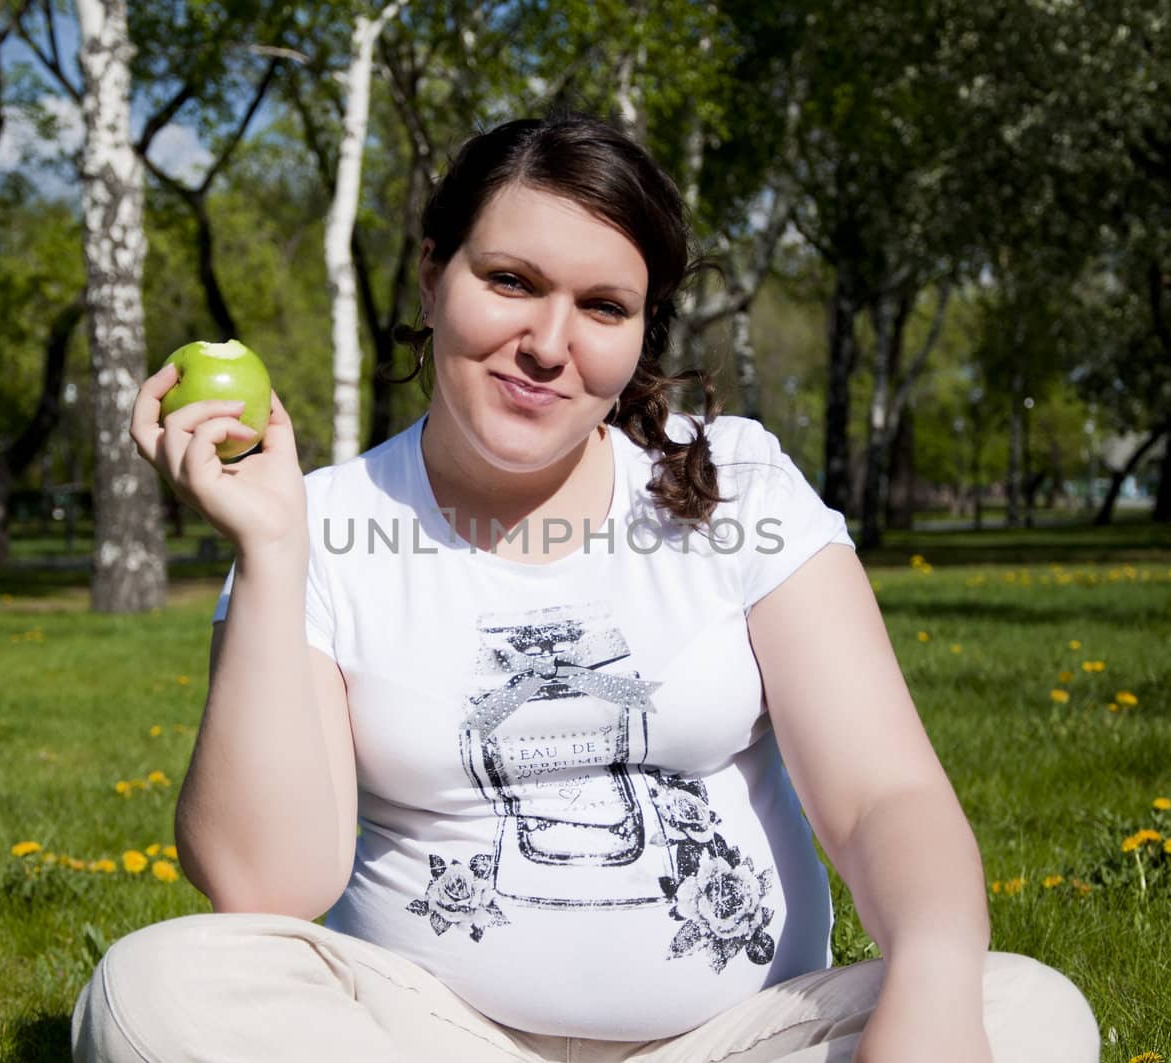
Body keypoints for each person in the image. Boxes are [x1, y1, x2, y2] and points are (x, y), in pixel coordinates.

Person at [75, 113, 1098, 1063]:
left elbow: (885, 794)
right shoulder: (318, 525)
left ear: (640, 332)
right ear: (432, 278)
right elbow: (267, 887)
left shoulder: (733, 481)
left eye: (602, 306)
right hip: (430, 1040)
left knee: (1027, 1011)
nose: (549, 345)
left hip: (741, 1040)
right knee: (156, 988)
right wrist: (268, 551)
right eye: (511, 281)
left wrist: (928, 981)